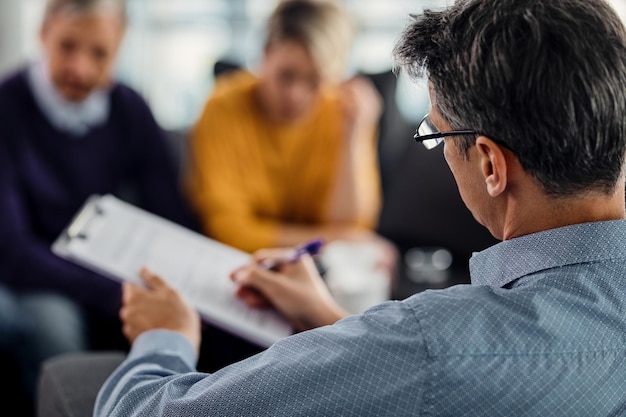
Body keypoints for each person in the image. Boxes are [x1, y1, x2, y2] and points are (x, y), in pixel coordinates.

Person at [42, 0, 626, 415]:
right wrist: (328, 315)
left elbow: (148, 412)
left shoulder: (430, 340)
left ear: (493, 166)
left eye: (437, 134)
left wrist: (163, 338)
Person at [0, 0, 203, 394]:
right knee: (56, 336)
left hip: (110, 268)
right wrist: (112, 292)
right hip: (34, 272)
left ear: (119, 49)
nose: (80, 68)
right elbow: (11, 248)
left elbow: (171, 212)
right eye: (68, 47)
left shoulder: (129, 108)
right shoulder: (6, 107)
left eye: (99, 53)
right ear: (43, 36)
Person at [184, 0, 394, 264]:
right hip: (240, 261)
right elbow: (229, 231)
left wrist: (354, 135)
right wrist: (330, 240)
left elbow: (355, 224)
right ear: (265, 53)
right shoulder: (222, 108)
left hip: (316, 265)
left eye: (314, 80)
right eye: (286, 75)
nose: (296, 95)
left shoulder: (343, 111)